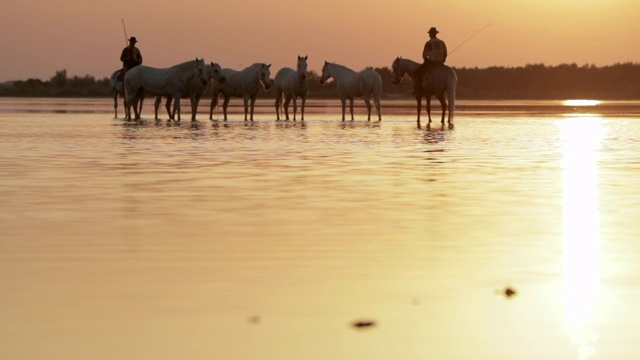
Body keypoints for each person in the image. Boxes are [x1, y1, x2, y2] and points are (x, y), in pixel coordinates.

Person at [413, 27, 447, 94]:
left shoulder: (428, 43)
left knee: (417, 73)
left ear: (430, 34)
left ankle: (418, 89)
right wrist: (443, 60)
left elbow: (424, 54)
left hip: (431, 62)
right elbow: (445, 53)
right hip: (440, 63)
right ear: (436, 34)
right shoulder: (442, 42)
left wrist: (425, 61)